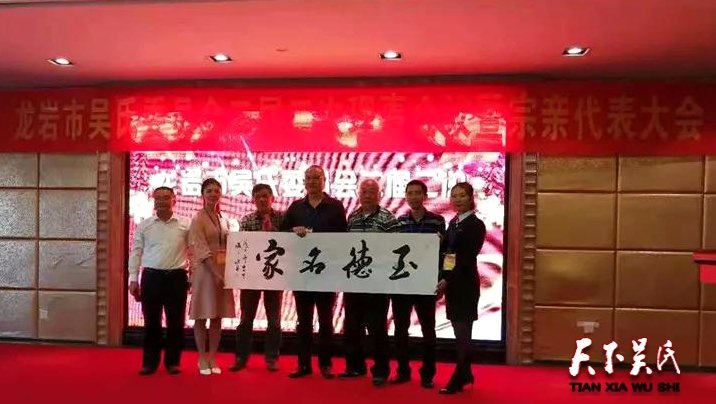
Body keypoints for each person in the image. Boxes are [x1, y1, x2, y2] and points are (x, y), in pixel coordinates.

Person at [282, 165, 347, 379]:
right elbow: (283, 235)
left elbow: (343, 238)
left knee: (326, 321)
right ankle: (303, 364)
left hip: (327, 273)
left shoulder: (336, 207)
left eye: (316, 178)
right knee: (304, 322)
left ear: (324, 180)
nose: (312, 181)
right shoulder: (295, 208)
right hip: (302, 274)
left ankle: (326, 364)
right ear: (303, 182)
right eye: (308, 178)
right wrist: (293, 231)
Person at [340, 179, 398, 386]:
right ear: (358, 194)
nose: (367, 195)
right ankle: (355, 366)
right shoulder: (352, 217)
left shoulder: (388, 218)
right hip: (354, 282)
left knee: (377, 328)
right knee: (352, 326)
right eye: (364, 191)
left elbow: (396, 248)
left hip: (377, 283)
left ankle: (380, 370)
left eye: (372, 191)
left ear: (379, 195)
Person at [128, 186, 190, 376]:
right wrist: (133, 278)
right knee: (151, 322)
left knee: (176, 322)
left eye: (166, 197)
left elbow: (194, 251)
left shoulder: (185, 224)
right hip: (151, 277)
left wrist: (194, 276)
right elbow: (136, 252)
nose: (162, 201)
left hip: (177, 277)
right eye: (158, 198)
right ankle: (150, 363)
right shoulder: (144, 225)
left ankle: (173, 362)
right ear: (153, 201)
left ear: (174, 200)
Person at [390, 179, 445, 388]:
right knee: (400, 330)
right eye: (409, 193)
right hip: (403, 283)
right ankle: (402, 371)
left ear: (425, 196)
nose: (413, 197)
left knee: (428, 330)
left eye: (417, 193)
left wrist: (441, 278)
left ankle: (427, 374)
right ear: (405, 196)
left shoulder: (437, 221)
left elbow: (443, 253)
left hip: (425, 283)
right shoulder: (399, 222)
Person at [435, 182, 486, 394]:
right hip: (453, 284)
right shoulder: (454, 222)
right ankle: (466, 374)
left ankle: (458, 377)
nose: (457, 200)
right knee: (459, 332)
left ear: (471, 198)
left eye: (462, 195)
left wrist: (447, 280)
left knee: (463, 333)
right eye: (454, 196)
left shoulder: (475, 224)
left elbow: (465, 258)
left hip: (465, 284)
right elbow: (449, 255)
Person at [229, 184, 285, 372]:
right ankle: (241, 357)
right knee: (246, 319)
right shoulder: (247, 220)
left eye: (265, 196)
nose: (262, 199)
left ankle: (272, 357)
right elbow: (242, 247)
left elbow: (289, 244)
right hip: (251, 277)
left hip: (274, 275)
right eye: (258, 196)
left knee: (274, 320)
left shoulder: (283, 218)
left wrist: (272, 231)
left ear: (272, 198)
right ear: (253, 200)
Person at [188, 178, 236, 376]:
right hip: (205, 272)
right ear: (202, 194)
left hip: (222, 272)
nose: (213, 194)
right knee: (201, 316)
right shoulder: (197, 219)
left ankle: (212, 357)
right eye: (209, 191)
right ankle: (201, 357)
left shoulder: (223, 218)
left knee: (217, 316)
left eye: (216, 190)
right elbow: (201, 249)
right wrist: (216, 273)